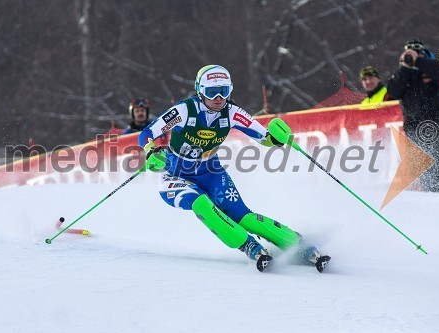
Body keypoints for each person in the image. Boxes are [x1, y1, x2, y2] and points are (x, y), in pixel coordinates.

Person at [138, 64, 330, 272]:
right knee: (200, 203)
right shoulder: (184, 110)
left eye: (224, 91)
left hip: (211, 172)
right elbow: (147, 132)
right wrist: (150, 151)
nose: (219, 97)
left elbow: (263, 137)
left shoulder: (232, 113)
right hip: (174, 174)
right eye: (212, 92)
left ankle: (298, 245)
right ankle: (248, 245)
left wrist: (276, 138)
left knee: (242, 216)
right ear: (200, 91)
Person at [387, 38, 439, 193]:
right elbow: (393, 91)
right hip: (416, 131)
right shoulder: (403, 74)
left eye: (417, 51)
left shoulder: (432, 68)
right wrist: (405, 67)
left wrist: (419, 61)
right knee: (427, 175)